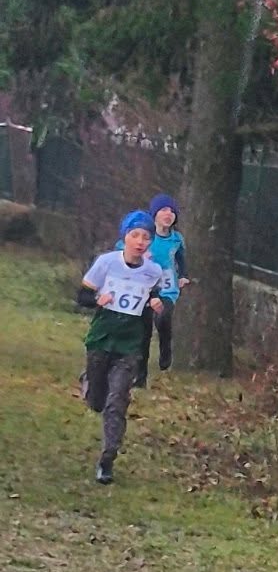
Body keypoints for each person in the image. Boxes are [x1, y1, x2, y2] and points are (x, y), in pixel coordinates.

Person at [78, 210, 165, 484]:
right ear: (125, 237)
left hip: (129, 345)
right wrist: (97, 300)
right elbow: (82, 296)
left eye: (146, 237)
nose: (140, 241)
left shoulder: (153, 272)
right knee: (97, 401)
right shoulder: (106, 263)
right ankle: (88, 381)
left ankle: (107, 459)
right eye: (135, 235)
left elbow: (152, 300)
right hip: (102, 339)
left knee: (116, 402)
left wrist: (156, 304)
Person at [135, 193, 189, 387]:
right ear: (154, 214)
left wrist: (183, 275)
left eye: (172, 211)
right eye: (164, 210)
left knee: (163, 317)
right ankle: (140, 377)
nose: (168, 214)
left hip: (167, 289)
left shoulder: (177, 239)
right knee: (143, 333)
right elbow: (124, 249)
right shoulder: (145, 236)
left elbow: (181, 258)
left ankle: (166, 348)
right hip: (145, 289)